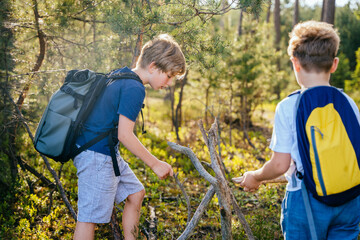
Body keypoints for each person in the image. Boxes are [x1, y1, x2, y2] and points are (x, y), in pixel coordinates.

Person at [232, 21, 360, 239]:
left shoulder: (288, 106)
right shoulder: (349, 102)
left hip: (307, 202)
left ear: (295, 63)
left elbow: (280, 164)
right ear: (334, 64)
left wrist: (255, 176)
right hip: (351, 200)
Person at [73, 34, 186, 240]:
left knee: (136, 193)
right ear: (153, 66)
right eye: (169, 76)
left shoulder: (121, 75)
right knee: (88, 218)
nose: (169, 83)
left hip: (103, 152)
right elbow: (124, 134)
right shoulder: (134, 88)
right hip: (96, 155)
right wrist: (155, 163)